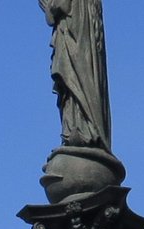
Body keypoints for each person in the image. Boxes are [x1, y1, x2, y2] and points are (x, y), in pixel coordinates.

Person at [40, 0, 111, 151]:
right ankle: (79, 128)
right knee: (73, 88)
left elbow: (57, 9)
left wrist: (48, 6)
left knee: (74, 84)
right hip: (77, 41)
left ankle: (81, 130)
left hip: (73, 42)